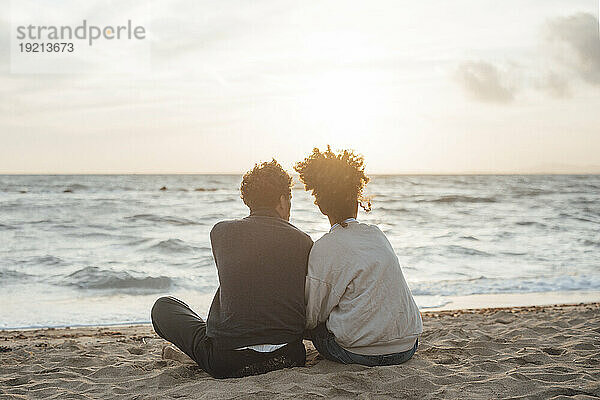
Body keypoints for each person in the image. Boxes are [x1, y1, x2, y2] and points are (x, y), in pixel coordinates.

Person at [151, 160, 313, 378]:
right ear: (283, 201)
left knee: (163, 307)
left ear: (249, 201)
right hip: (290, 357)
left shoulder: (221, 232)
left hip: (228, 362)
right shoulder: (302, 240)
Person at [295, 146, 422, 366]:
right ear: (357, 200)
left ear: (322, 207)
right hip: (407, 346)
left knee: (316, 326)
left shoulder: (326, 246)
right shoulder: (377, 235)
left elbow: (313, 314)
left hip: (358, 353)